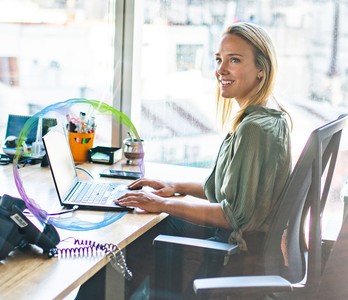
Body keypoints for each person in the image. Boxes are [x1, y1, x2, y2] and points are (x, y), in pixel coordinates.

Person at [76, 22, 292, 299]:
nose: (221, 70)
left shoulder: (254, 129)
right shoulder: (271, 116)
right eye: (218, 59)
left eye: (234, 60)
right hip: (238, 243)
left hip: (233, 249)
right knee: (149, 225)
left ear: (262, 69)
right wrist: (176, 186)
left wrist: (164, 203)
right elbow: (231, 189)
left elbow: (234, 216)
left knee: (134, 241)